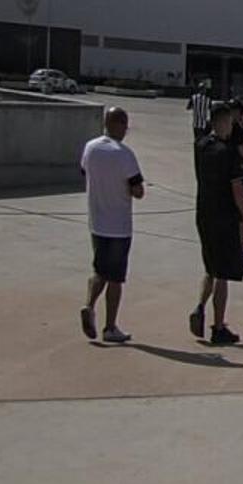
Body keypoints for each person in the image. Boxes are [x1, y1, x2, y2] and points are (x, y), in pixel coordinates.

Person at [77, 105, 146, 345]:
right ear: (117, 124)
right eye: (125, 125)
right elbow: (138, 191)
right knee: (116, 278)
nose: (126, 130)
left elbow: (84, 173)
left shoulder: (90, 147)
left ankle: (89, 305)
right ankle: (110, 326)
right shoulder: (124, 154)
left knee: (99, 269)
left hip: (97, 221)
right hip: (118, 225)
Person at [189, 96, 243, 347]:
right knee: (223, 274)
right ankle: (218, 326)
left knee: (211, 267)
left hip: (204, 212)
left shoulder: (200, 145)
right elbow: (237, 189)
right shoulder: (228, 153)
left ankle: (200, 306)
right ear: (223, 122)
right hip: (224, 216)